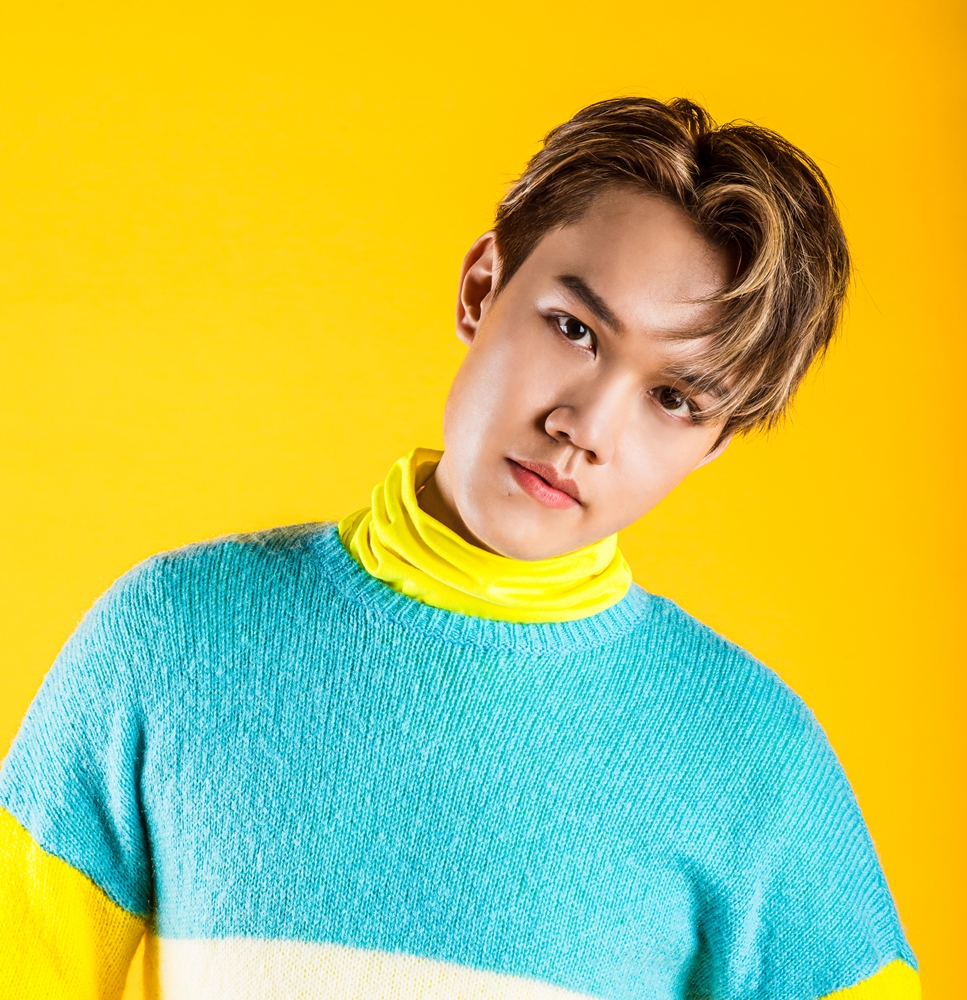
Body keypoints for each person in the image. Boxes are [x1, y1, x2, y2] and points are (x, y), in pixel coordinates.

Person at [0, 97, 919, 999]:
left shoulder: (754, 758)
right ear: (481, 288)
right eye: (574, 329)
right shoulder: (169, 639)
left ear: (712, 445)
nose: (585, 426)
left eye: (673, 399)